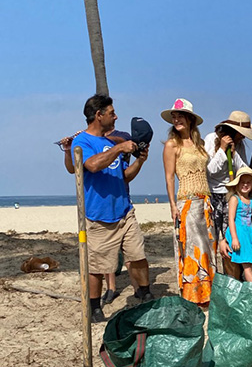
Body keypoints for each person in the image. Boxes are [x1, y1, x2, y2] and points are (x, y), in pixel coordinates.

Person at [70, 95, 151, 323]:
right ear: (99, 115)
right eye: (112, 113)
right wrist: (119, 149)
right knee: (97, 266)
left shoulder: (110, 144)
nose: (115, 116)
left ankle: (144, 293)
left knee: (138, 255)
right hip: (98, 217)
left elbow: (124, 176)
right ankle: (95, 308)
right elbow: (92, 165)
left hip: (124, 212)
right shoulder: (82, 142)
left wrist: (139, 161)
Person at [59, 126, 130, 306]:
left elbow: (125, 143)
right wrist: (68, 151)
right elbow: (73, 169)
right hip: (99, 204)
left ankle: (136, 289)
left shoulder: (118, 137)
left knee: (127, 251)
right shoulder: (86, 140)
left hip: (118, 198)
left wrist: (110, 142)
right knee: (101, 255)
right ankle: (110, 288)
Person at [162, 98, 216, 306]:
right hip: (187, 200)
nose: (176, 120)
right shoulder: (171, 145)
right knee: (193, 247)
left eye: (180, 116)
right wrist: (172, 206)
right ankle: (193, 295)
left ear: (190, 119)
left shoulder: (200, 144)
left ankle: (208, 293)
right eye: (174, 117)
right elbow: (168, 177)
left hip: (205, 201)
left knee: (208, 246)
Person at [203, 111, 252, 249]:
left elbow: (244, 170)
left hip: (231, 194)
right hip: (213, 193)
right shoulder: (211, 139)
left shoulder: (239, 145)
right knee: (213, 236)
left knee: (230, 234)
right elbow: (210, 171)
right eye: (240, 133)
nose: (242, 137)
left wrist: (234, 154)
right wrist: (222, 150)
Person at [225, 166, 252, 284]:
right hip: (239, 233)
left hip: (249, 234)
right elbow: (231, 220)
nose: (245, 185)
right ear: (237, 184)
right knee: (247, 266)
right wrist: (234, 238)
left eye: (248, 183)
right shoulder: (235, 199)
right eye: (242, 182)